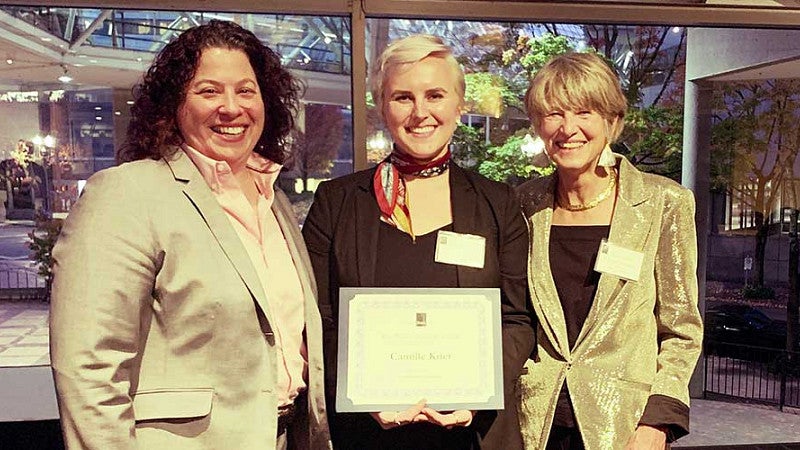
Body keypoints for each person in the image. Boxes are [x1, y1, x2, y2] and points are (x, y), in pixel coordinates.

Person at [49, 20, 330, 450]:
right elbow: (88, 367)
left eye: (246, 90)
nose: (231, 107)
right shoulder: (127, 193)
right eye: (209, 90)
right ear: (173, 105)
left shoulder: (272, 199)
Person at [302, 34, 534, 450]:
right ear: (381, 107)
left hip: (473, 435)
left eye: (435, 95)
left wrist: (478, 392)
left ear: (459, 105)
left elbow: (517, 320)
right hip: (366, 433)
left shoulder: (498, 204)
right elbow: (317, 321)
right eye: (403, 97)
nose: (420, 112)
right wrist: (360, 390)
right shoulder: (336, 203)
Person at [516, 51, 704, 450]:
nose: (568, 129)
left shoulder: (662, 202)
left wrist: (659, 422)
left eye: (584, 112)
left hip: (626, 426)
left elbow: (682, 330)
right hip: (535, 424)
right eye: (553, 114)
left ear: (611, 121)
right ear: (538, 124)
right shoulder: (524, 204)